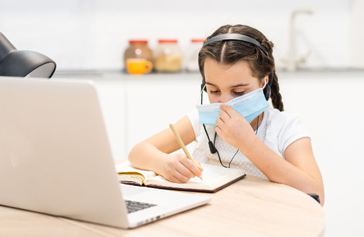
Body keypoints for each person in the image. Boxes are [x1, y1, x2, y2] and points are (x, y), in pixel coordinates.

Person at [128, 24, 325, 205]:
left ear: (264, 81)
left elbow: (316, 194)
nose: (225, 102)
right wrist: (164, 163)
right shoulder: (203, 121)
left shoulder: (286, 128)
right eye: (214, 91)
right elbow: (138, 152)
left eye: (238, 92)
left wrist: (248, 143)